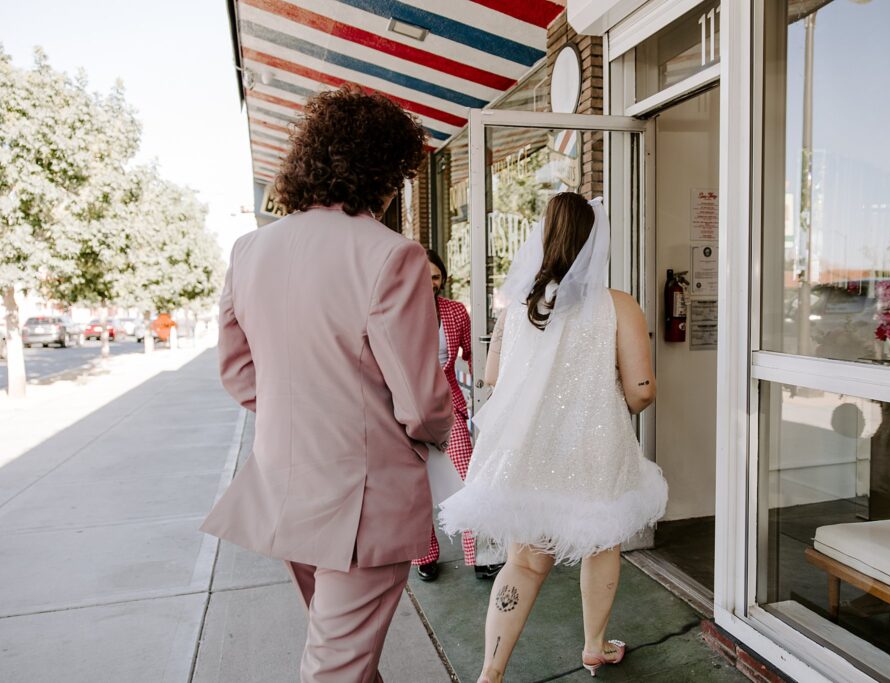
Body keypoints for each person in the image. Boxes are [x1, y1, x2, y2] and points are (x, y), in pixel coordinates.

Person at [200, 86, 452, 683]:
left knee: (342, 651)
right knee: (336, 665)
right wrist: (439, 434)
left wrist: (303, 410)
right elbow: (420, 403)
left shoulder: (249, 250)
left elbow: (237, 372)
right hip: (362, 496)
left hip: (285, 482)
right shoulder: (392, 255)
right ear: (381, 172)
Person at [439, 192, 668, 682]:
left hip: (530, 451)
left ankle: (491, 672)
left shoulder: (518, 308)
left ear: (543, 237)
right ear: (596, 241)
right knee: (601, 544)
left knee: (523, 561)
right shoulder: (618, 306)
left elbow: (494, 376)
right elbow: (642, 391)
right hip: (594, 449)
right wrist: (605, 397)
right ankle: (594, 647)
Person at [414, 250, 504, 582]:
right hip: (406, 411)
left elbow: (472, 353)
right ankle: (424, 555)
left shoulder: (454, 312)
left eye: (435, 276)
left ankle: (480, 554)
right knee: (417, 485)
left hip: (449, 407)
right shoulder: (395, 312)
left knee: (467, 481)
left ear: (443, 279)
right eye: (423, 274)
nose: (429, 282)